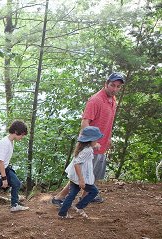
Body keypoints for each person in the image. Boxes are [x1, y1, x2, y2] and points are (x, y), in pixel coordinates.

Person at [52, 72, 125, 206]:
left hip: (101, 144)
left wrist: (108, 139)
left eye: (118, 86)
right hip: (91, 145)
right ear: (106, 84)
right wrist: (92, 142)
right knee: (80, 174)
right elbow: (85, 123)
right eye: (112, 85)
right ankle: (60, 197)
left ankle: (86, 196)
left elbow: (107, 122)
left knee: (93, 173)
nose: (115, 89)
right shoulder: (95, 100)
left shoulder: (112, 100)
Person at [58, 126, 103, 219]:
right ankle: (79, 206)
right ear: (91, 140)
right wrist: (81, 180)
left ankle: (62, 213)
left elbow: (79, 159)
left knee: (71, 195)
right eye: (96, 139)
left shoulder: (82, 147)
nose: (97, 141)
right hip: (82, 178)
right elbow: (77, 163)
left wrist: (95, 145)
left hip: (74, 177)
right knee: (94, 191)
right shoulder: (87, 150)